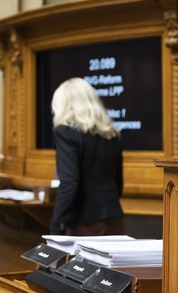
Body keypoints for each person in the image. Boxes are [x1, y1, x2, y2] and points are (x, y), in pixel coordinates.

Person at [50, 77, 125, 236]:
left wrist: (56, 227)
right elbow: (118, 183)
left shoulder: (65, 133)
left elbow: (69, 183)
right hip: (113, 221)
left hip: (83, 225)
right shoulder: (111, 134)